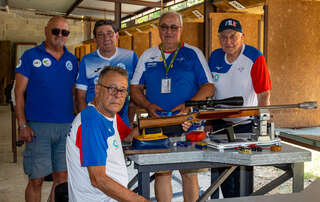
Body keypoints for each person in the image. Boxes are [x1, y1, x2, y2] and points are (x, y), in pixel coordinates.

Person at [131, 11, 214, 202]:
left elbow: (209, 86)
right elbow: (134, 89)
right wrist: (148, 105)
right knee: (162, 172)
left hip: (187, 123)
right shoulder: (148, 55)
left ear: (181, 29)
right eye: (164, 27)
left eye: (173, 27)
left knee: (188, 172)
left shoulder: (193, 54)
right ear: (158, 29)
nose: (169, 31)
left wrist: (188, 106)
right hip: (156, 124)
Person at [14, 16, 78, 202]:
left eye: (64, 32)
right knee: (36, 178)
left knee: (62, 179)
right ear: (46, 31)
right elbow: (18, 93)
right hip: (37, 127)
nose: (60, 35)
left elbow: (75, 93)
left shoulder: (72, 60)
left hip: (66, 126)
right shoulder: (30, 56)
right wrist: (22, 125)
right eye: (55, 31)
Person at [207, 18, 272, 198]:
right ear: (219, 38)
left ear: (242, 36)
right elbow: (210, 90)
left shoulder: (254, 56)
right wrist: (209, 120)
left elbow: (264, 94)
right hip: (220, 123)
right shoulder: (214, 56)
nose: (228, 42)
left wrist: (263, 126)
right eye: (224, 37)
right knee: (223, 174)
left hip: (245, 124)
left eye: (233, 37)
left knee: (242, 176)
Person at [66, 66, 150, 202]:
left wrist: (163, 123)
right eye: (112, 89)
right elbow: (98, 179)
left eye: (122, 90)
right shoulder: (92, 122)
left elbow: (129, 136)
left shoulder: (109, 116)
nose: (118, 95)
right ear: (97, 89)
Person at [76, 19, 138, 127]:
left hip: (122, 122)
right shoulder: (87, 60)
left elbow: (135, 91)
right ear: (95, 40)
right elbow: (80, 96)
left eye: (110, 33)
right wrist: (87, 122)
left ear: (117, 36)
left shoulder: (131, 57)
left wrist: (130, 121)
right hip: (95, 122)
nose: (106, 38)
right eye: (101, 35)